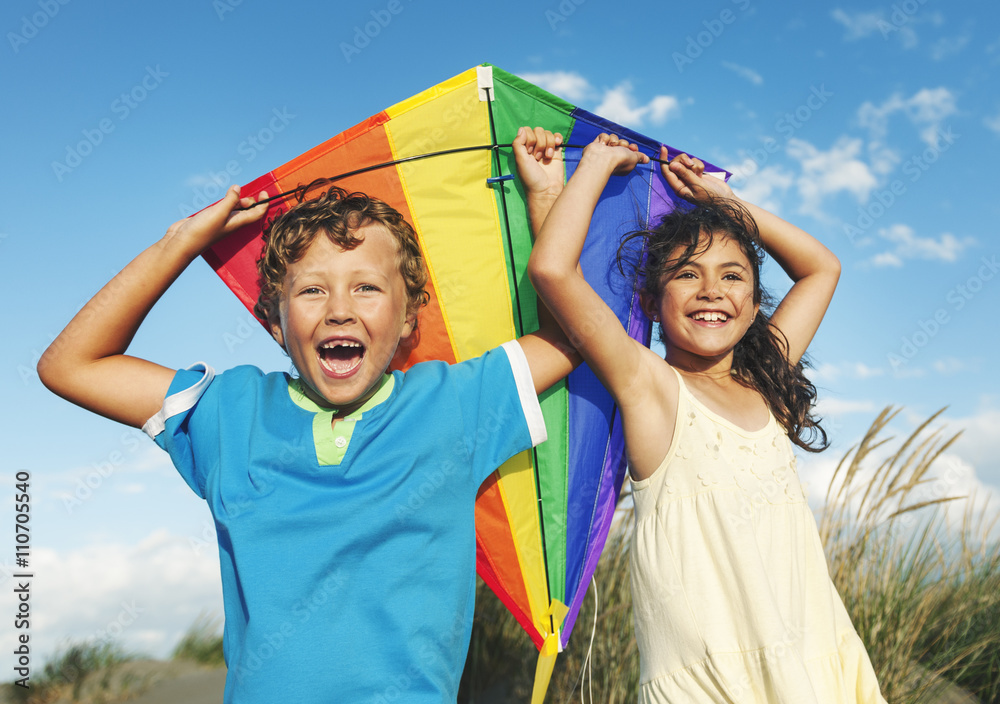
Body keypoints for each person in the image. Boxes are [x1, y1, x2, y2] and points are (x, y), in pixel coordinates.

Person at [37, 127, 574, 704]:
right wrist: (183, 242)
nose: (339, 309)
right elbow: (70, 365)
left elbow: (570, 334)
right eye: (311, 291)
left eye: (366, 287)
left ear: (409, 318)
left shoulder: (454, 403)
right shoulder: (228, 412)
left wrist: (545, 196)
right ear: (275, 323)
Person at [528, 132, 887, 703]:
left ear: (753, 306)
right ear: (651, 302)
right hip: (712, 683)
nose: (711, 291)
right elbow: (552, 269)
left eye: (732, 275)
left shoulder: (764, 382)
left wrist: (724, 204)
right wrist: (593, 166)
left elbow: (822, 268)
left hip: (817, 666)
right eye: (686, 274)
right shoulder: (650, 386)